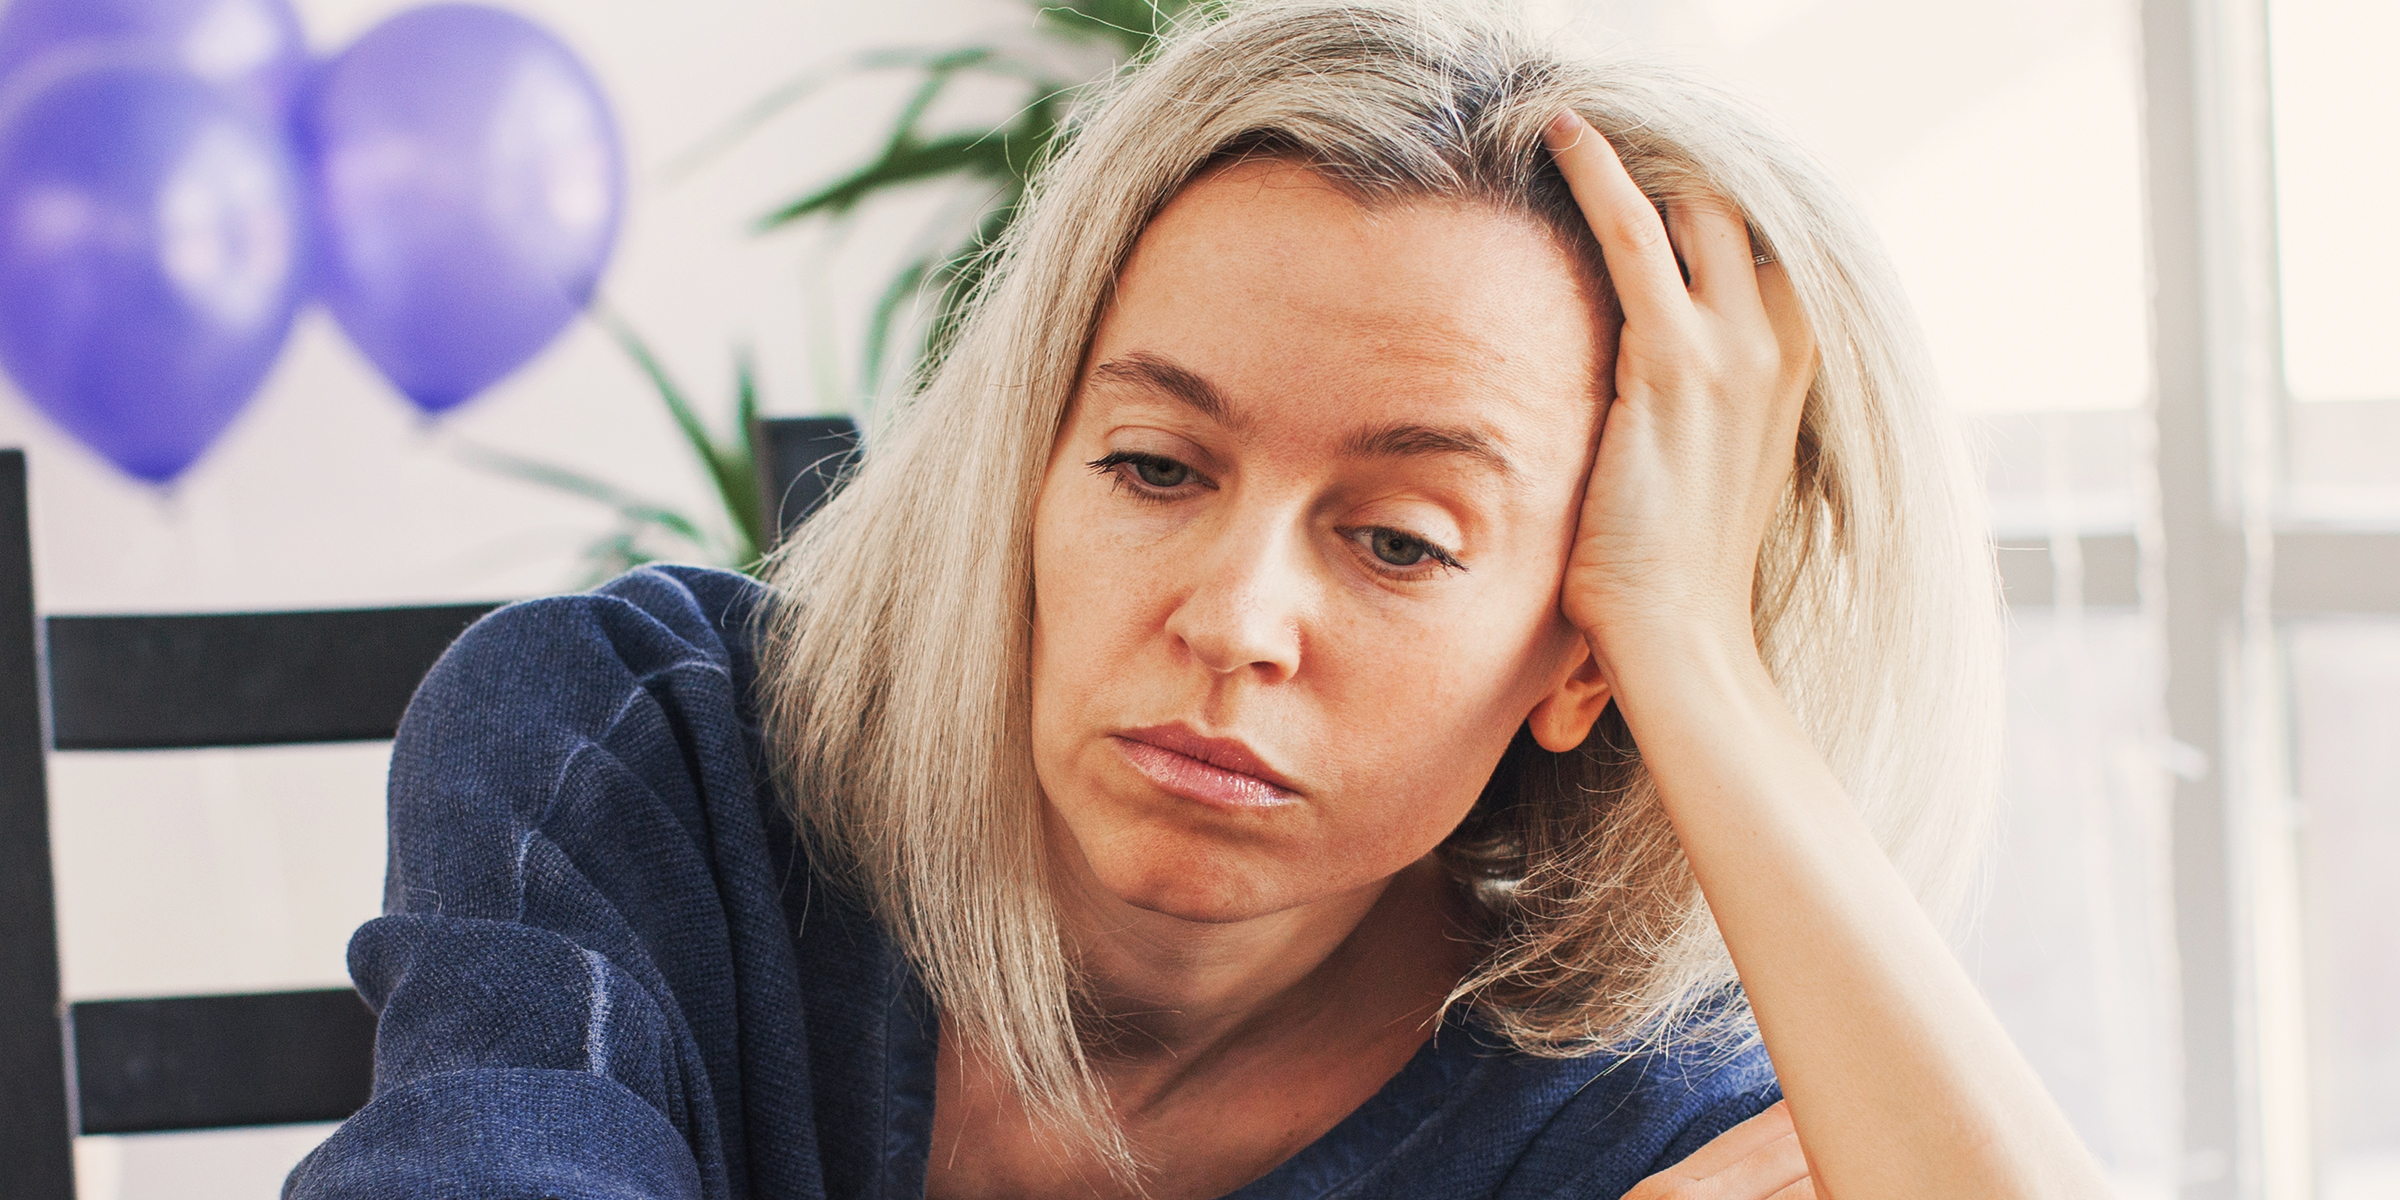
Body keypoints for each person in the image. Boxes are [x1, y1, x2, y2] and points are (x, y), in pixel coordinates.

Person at [286, 2, 2112, 1198]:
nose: (1236, 620)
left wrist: (1695, 649)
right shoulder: (640, 750)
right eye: (1157, 467)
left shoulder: (1616, 1103)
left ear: (1580, 658)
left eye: (1400, 542)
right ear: (1027, 468)